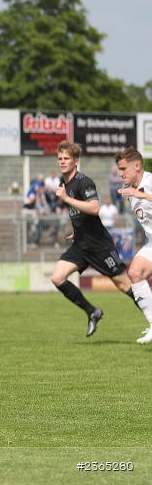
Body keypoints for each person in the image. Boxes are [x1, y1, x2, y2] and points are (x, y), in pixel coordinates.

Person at [50, 141, 139, 338]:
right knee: (57, 277)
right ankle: (92, 312)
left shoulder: (84, 182)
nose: (62, 162)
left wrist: (66, 199)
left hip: (99, 246)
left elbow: (94, 208)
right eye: (60, 158)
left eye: (66, 158)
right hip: (81, 245)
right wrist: (77, 230)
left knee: (125, 286)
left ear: (76, 161)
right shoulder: (64, 183)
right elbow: (79, 213)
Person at [114, 146, 152, 344]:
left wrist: (144, 196)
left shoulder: (150, 182)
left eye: (123, 169)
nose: (120, 174)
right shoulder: (129, 192)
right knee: (135, 272)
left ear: (136, 166)